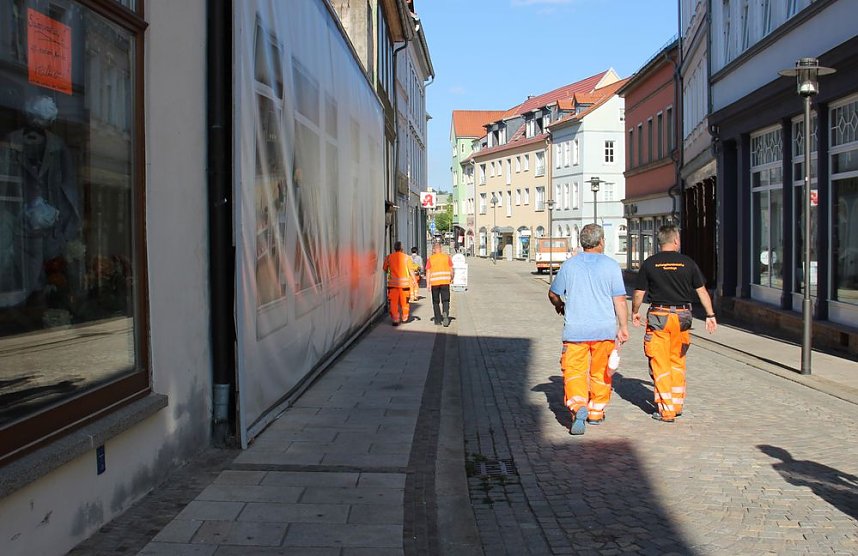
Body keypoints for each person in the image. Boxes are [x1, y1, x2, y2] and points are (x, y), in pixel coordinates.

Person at [548, 224, 629, 435]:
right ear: (601, 241)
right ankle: (595, 412)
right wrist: (623, 326)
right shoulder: (611, 266)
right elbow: (619, 300)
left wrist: (560, 305)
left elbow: (553, 293)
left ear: (582, 243)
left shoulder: (569, 266)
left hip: (575, 332)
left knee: (574, 371)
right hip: (603, 331)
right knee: (601, 372)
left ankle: (578, 406)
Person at [631, 224, 717, 423]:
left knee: (660, 362)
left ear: (660, 241)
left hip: (659, 315)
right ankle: (677, 404)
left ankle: (667, 411)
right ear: (676, 241)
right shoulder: (688, 263)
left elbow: (638, 293)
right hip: (683, 317)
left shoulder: (650, 263)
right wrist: (710, 314)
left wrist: (635, 312)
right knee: (677, 360)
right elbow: (702, 291)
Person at [382, 241, 413, 326]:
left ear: (394, 248)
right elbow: (411, 271)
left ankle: (395, 319)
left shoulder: (389, 257)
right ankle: (405, 318)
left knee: (393, 303)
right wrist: (414, 281)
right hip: (404, 285)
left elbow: (384, 268)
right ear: (401, 248)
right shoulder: (407, 258)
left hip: (393, 285)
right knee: (405, 302)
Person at [425, 242, 455, 327]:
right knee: (445, 300)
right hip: (445, 281)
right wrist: (452, 278)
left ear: (434, 249)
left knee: (436, 302)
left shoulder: (431, 258)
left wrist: (428, 284)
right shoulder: (446, 257)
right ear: (440, 248)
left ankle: (437, 320)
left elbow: (428, 271)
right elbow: (451, 269)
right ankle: (445, 312)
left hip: (435, 283)